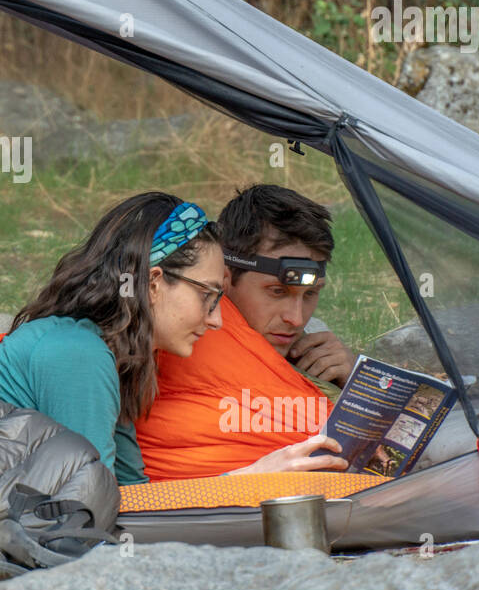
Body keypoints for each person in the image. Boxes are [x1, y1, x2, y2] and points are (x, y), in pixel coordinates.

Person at [0, 190, 345, 486]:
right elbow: (91, 510)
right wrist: (247, 481)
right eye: (207, 297)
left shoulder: (120, 361)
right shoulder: (79, 355)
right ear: (153, 284)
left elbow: (138, 494)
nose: (216, 321)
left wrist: (249, 482)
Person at [135, 184, 354, 480]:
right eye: (277, 291)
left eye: (311, 294)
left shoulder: (316, 346)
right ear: (225, 278)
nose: (296, 318)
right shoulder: (173, 327)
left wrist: (355, 384)